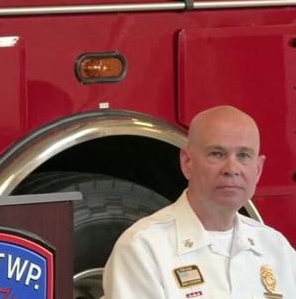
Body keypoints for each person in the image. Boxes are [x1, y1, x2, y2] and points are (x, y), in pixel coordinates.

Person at [102, 105, 296, 298]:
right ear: (187, 162)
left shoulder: (276, 248)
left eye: (243, 156)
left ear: (258, 169)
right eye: (217, 154)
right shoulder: (144, 248)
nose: (231, 169)